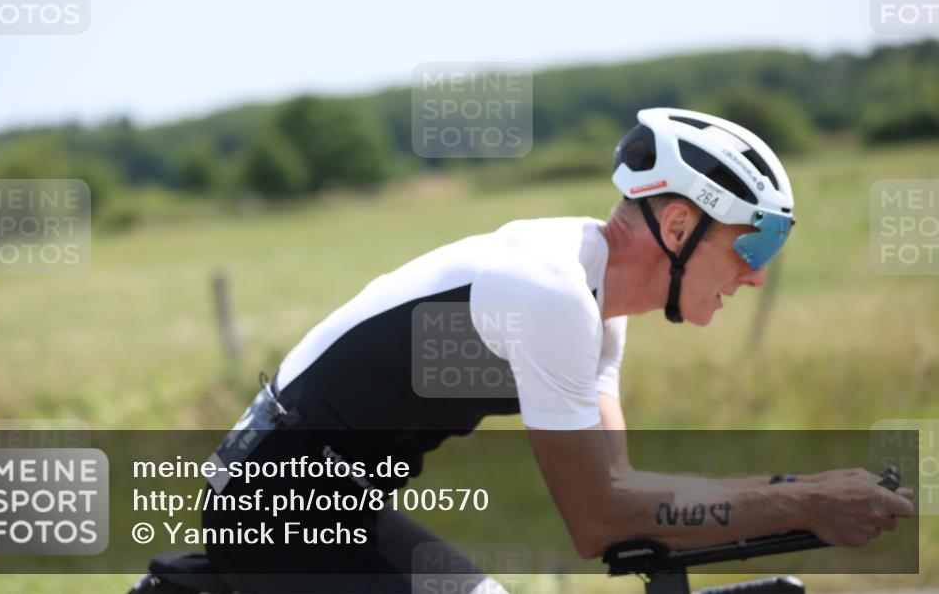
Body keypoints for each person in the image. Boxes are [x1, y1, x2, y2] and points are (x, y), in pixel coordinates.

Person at [202, 108, 915, 594]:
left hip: (332, 498)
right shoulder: (553, 292)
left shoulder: (599, 305)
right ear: (677, 222)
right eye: (754, 242)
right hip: (276, 503)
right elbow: (600, 517)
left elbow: (625, 492)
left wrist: (803, 498)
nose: (758, 273)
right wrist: (808, 500)